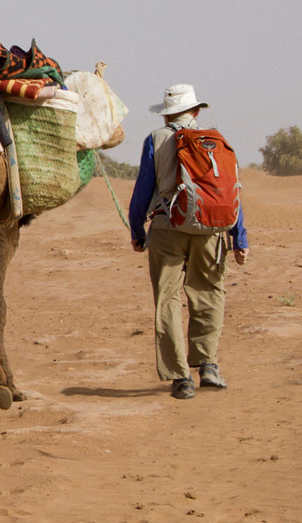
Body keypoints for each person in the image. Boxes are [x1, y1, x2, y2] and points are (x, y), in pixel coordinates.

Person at [128, 84, 250, 400]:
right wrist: (239, 237)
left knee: (167, 298)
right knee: (209, 293)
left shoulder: (156, 139)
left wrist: (137, 231)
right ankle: (208, 364)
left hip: (168, 226)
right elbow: (230, 190)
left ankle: (180, 377)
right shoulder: (217, 140)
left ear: (167, 113)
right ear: (196, 111)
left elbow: (144, 188)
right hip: (211, 229)